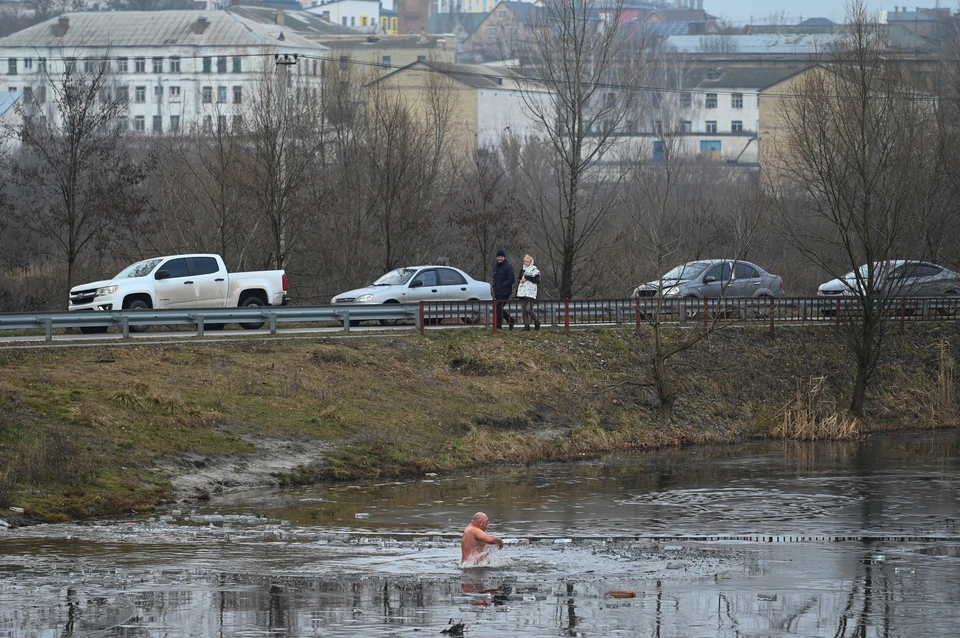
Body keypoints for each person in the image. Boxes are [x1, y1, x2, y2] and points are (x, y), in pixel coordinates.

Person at [492, 249, 516, 330]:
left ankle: (498, 325)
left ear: (504, 257)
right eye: (498, 257)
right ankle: (511, 320)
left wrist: (502, 285)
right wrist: (494, 286)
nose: (500, 258)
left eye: (501, 257)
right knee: (498, 307)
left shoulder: (508, 266)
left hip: (505, 291)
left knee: (498, 307)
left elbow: (512, 279)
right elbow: (495, 278)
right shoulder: (495, 266)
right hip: (497, 291)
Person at [517, 254, 541, 331]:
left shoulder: (535, 270)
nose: (526, 263)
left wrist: (527, 277)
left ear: (531, 262)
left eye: (527, 261)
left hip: (531, 293)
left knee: (528, 309)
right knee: (523, 311)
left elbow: (537, 280)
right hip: (523, 292)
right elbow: (520, 278)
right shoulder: (522, 270)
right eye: (525, 261)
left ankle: (537, 322)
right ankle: (526, 326)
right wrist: (520, 281)